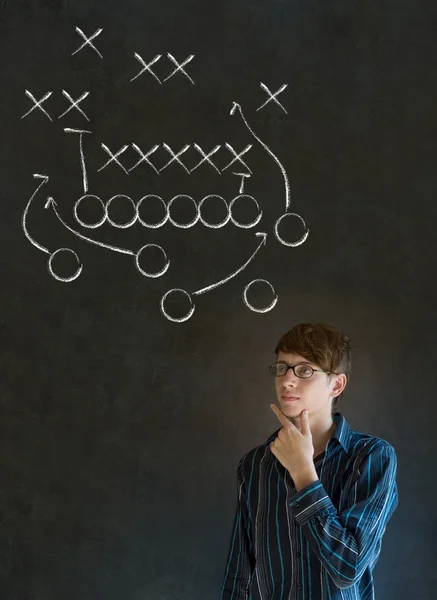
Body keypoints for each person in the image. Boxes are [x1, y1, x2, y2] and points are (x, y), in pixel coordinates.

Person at [220, 322, 398, 600]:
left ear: (336, 384)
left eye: (305, 370)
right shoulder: (254, 465)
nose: (287, 380)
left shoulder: (371, 457)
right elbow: (239, 574)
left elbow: (347, 569)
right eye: (281, 368)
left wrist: (304, 474)